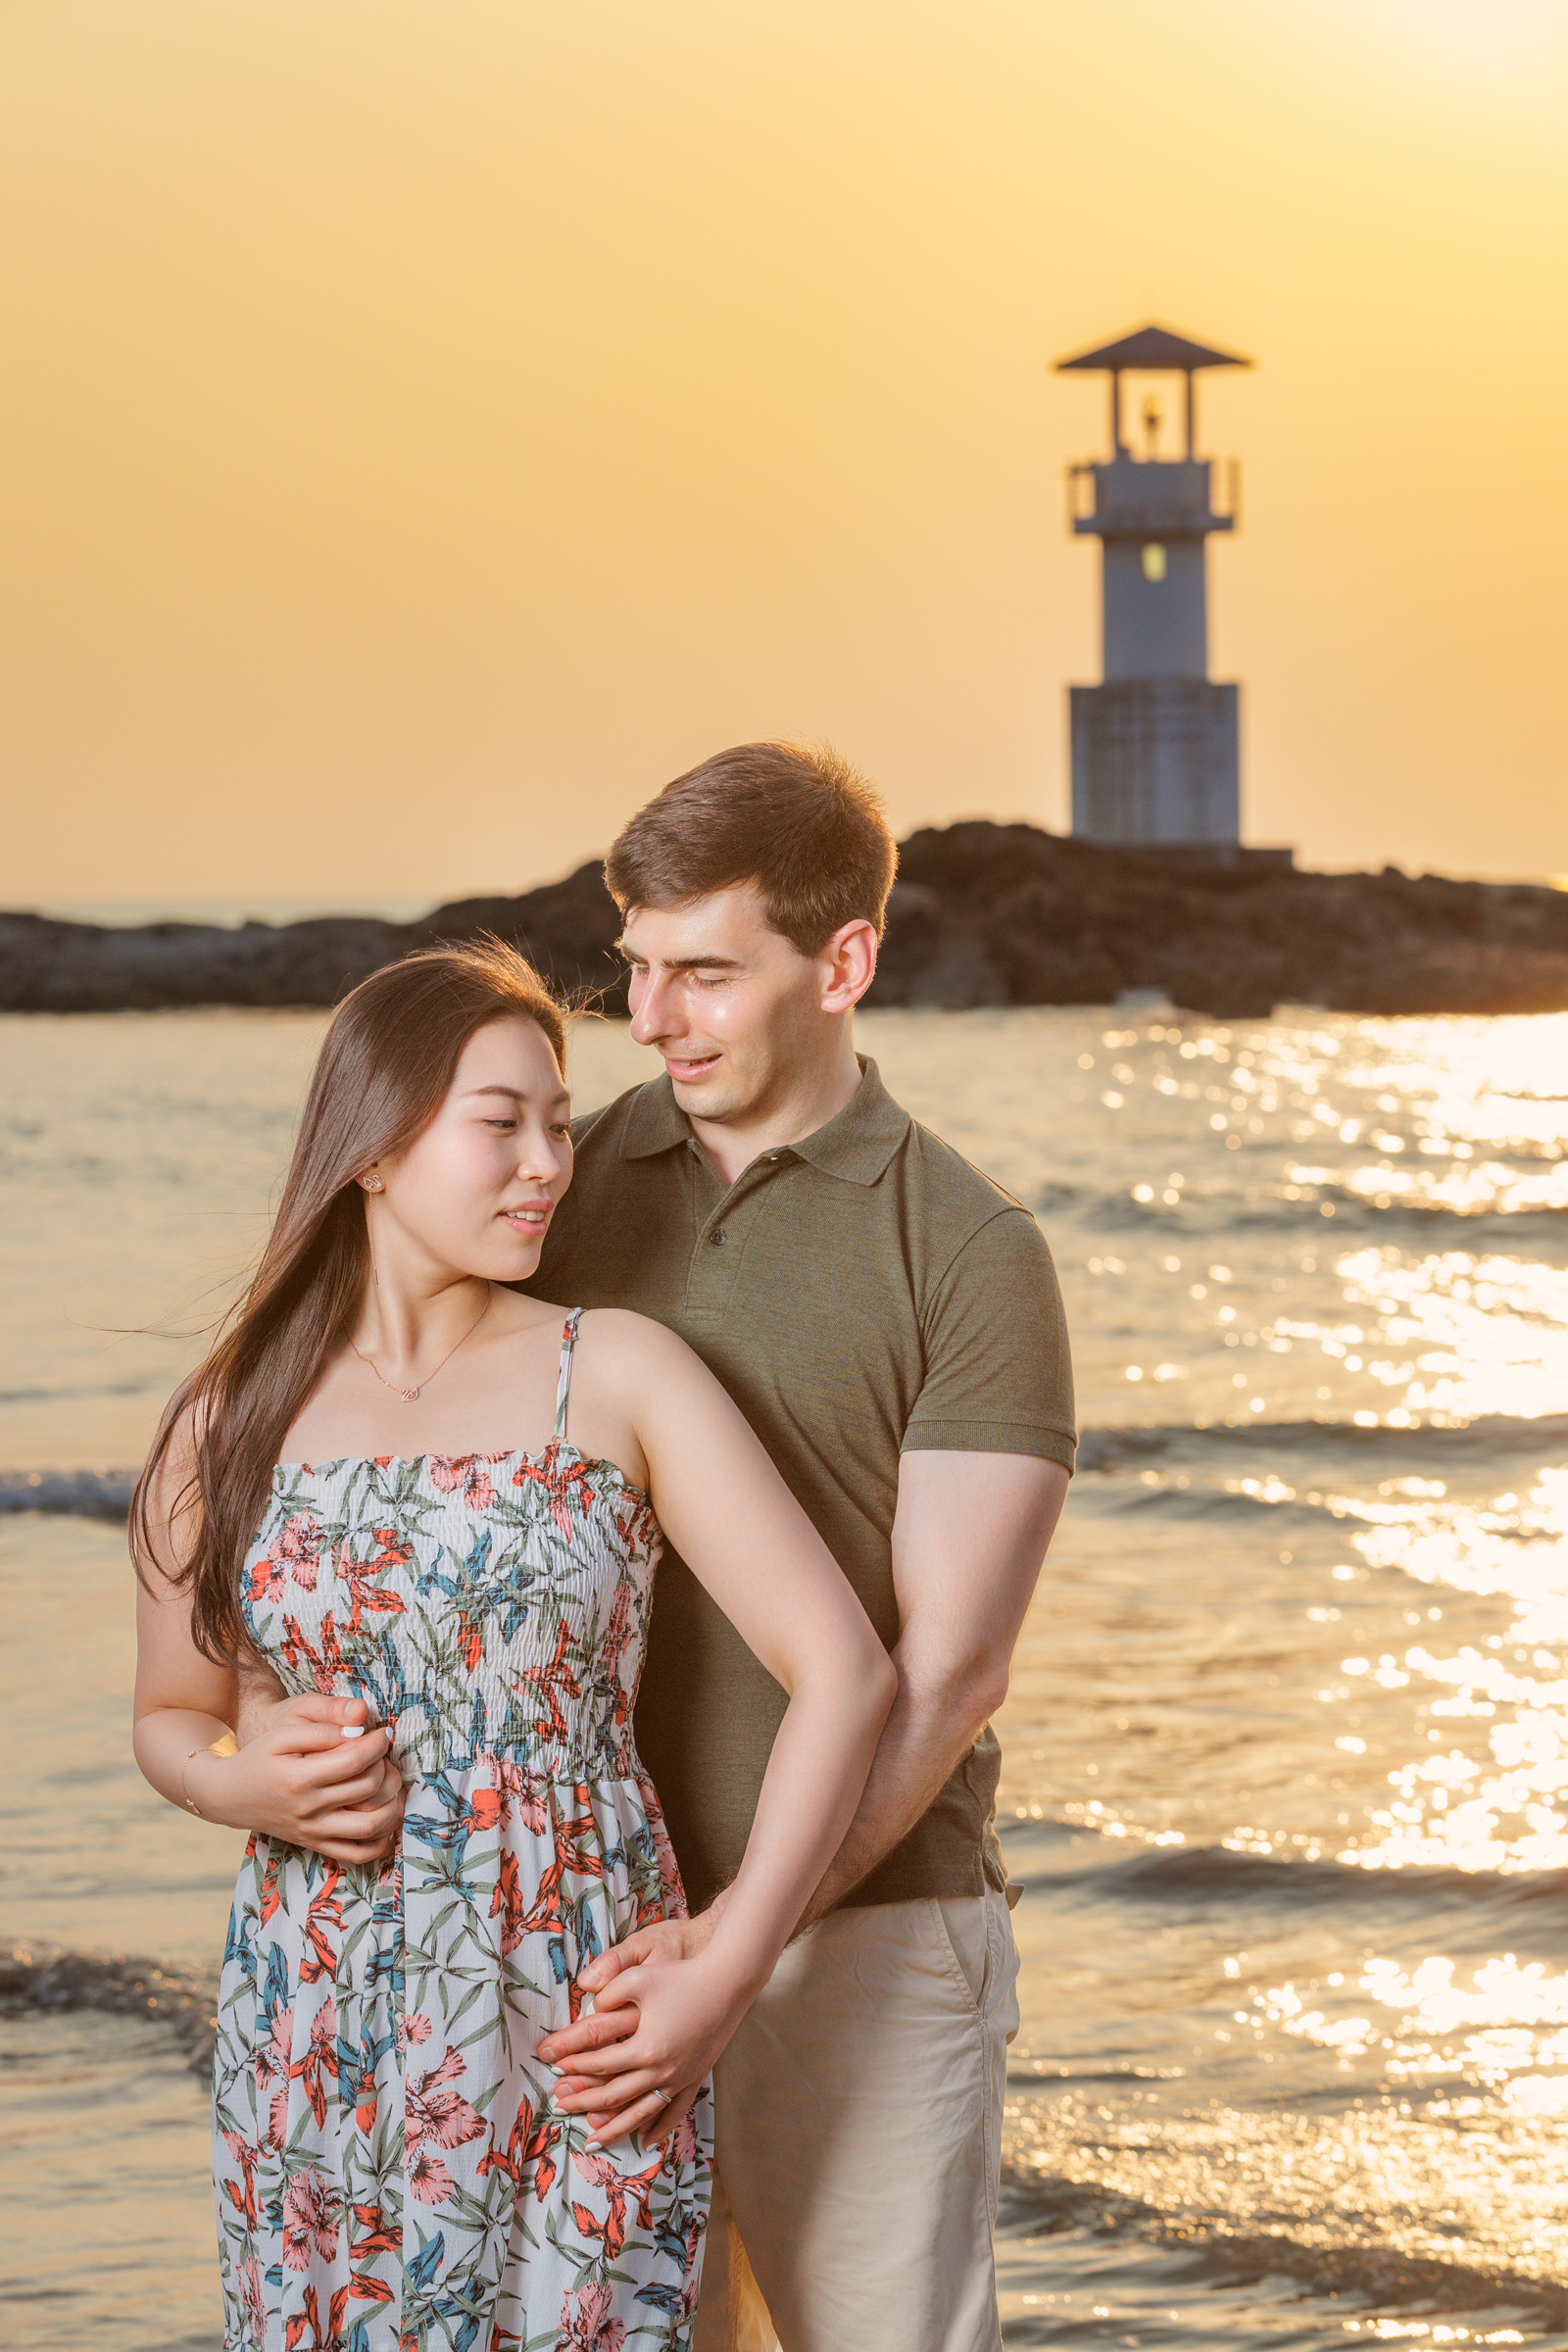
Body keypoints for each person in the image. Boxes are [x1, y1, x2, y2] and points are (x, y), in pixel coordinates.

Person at [129, 939, 895, 2352]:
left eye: (559, 1122)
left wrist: (725, 1970)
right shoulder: (227, 1417)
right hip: (320, 2001)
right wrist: (239, 1783)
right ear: (373, 1148)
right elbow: (175, 1714)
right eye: (501, 1124)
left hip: (578, 2002)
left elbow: (846, 1675)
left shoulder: (614, 1370)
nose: (549, 1164)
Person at [521, 743, 1076, 2352]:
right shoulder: (552, 1198)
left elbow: (950, 1672)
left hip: (873, 1939)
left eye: (704, 973)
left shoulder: (970, 1250)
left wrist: (741, 1946)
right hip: (584, 1930)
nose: (650, 1017)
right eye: (635, 966)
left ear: (843, 966)